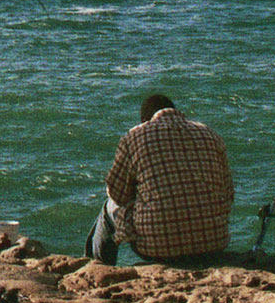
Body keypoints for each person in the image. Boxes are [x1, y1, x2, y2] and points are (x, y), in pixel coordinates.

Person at [87, 93, 234, 265]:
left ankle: (99, 267)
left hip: (158, 248)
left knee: (108, 208)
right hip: (213, 243)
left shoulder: (134, 136)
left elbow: (117, 195)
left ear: (144, 119)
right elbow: (228, 193)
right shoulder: (210, 134)